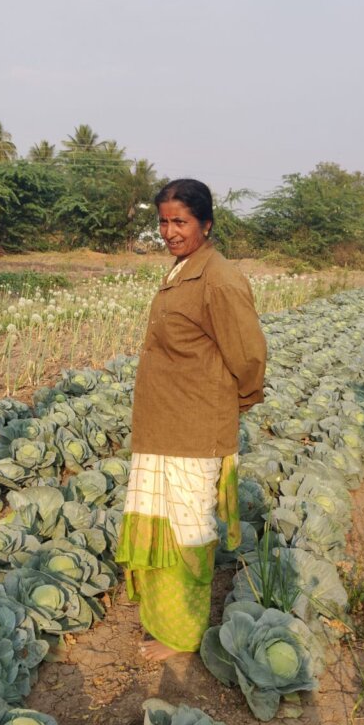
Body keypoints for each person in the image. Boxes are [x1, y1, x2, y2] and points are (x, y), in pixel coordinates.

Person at [116, 178, 267, 661]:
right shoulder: (182, 271)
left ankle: (182, 634)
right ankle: (162, 621)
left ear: (206, 222)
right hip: (161, 426)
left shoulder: (218, 279)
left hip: (193, 428)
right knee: (157, 522)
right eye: (163, 220)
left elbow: (248, 357)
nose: (169, 231)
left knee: (187, 531)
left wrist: (230, 404)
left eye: (179, 221)